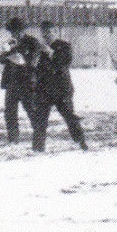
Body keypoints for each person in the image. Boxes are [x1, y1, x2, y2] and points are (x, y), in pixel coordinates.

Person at [32, 21, 86, 152]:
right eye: (44, 33)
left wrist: (50, 52)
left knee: (69, 116)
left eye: (49, 32)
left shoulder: (64, 46)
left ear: (55, 32)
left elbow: (65, 62)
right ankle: (38, 148)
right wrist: (34, 61)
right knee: (40, 119)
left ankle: (81, 142)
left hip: (61, 88)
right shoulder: (39, 49)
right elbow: (35, 67)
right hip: (44, 88)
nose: (46, 36)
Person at [0, 16, 40, 144]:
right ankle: (13, 138)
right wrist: (8, 55)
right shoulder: (11, 43)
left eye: (16, 31)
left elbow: (34, 60)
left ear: (22, 30)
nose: (14, 34)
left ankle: (38, 135)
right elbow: (0, 58)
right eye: (12, 32)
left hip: (26, 81)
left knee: (31, 110)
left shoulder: (32, 42)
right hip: (11, 81)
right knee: (10, 112)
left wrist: (22, 60)